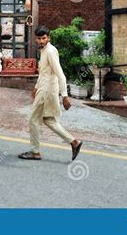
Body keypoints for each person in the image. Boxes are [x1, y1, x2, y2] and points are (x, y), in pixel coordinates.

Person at [18, 25, 83, 161]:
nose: (41, 41)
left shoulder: (50, 51)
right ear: (36, 39)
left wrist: (65, 96)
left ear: (48, 38)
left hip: (47, 91)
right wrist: (36, 87)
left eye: (44, 38)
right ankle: (74, 142)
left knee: (33, 119)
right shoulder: (44, 51)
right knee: (48, 120)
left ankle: (35, 152)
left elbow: (61, 74)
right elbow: (44, 73)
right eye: (39, 39)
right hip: (44, 89)